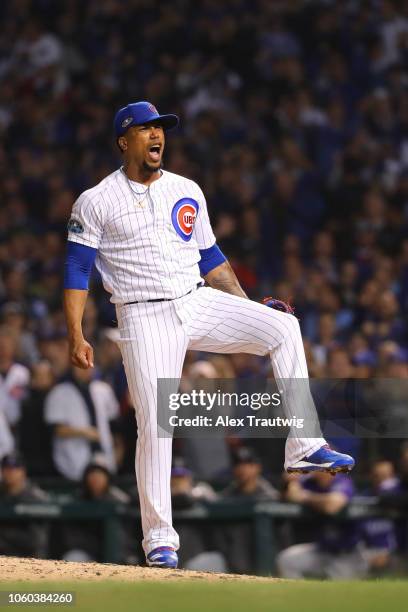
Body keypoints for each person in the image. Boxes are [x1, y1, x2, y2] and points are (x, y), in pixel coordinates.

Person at [63, 100, 354, 568]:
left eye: (161, 128)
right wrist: (75, 333)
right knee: (156, 425)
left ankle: (304, 447)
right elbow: (77, 270)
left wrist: (244, 307)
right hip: (143, 315)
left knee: (282, 326)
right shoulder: (96, 199)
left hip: (194, 299)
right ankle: (160, 540)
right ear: (124, 140)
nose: (157, 135)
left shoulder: (187, 189)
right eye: (146, 129)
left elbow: (211, 260)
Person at [277, 471, 364, 579]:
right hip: (322, 550)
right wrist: (293, 482)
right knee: (287, 560)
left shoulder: (342, 480)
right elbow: (292, 495)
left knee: (338, 592)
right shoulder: (309, 482)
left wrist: (306, 497)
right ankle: (299, 594)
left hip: (347, 555)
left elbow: (332, 506)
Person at [44, 365, 119, 480]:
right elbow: (56, 429)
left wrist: (117, 454)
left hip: (104, 457)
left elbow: (115, 424)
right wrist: (83, 432)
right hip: (72, 461)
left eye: (89, 366)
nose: (85, 370)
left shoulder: (103, 390)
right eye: (80, 367)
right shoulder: (59, 392)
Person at [0, 452, 49, 558]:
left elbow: (36, 540)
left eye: (14, 468)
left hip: (29, 557)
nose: (10, 472)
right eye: (6, 468)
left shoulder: (36, 497)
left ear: (23, 471)